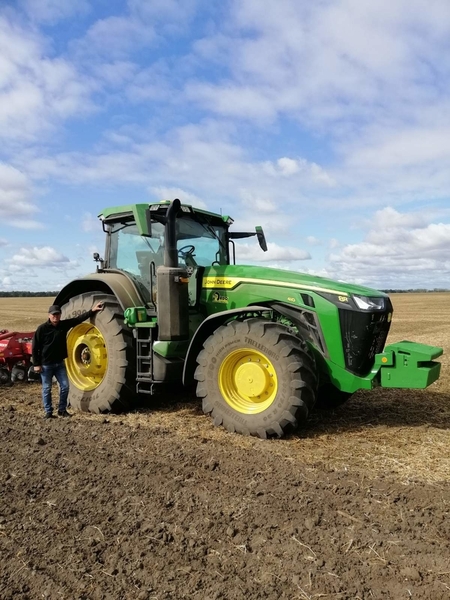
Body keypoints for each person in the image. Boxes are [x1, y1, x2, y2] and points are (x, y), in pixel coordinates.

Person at [32, 301, 104, 419]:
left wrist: (92, 311)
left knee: (65, 386)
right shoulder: (42, 329)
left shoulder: (63, 325)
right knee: (47, 388)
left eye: (57, 314)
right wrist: (36, 364)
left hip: (59, 363)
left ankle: (62, 410)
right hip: (46, 365)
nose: (55, 317)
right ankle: (48, 412)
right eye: (53, 315)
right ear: (49, 315)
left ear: (60, 315)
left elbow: (78, 319)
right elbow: (35, 347)